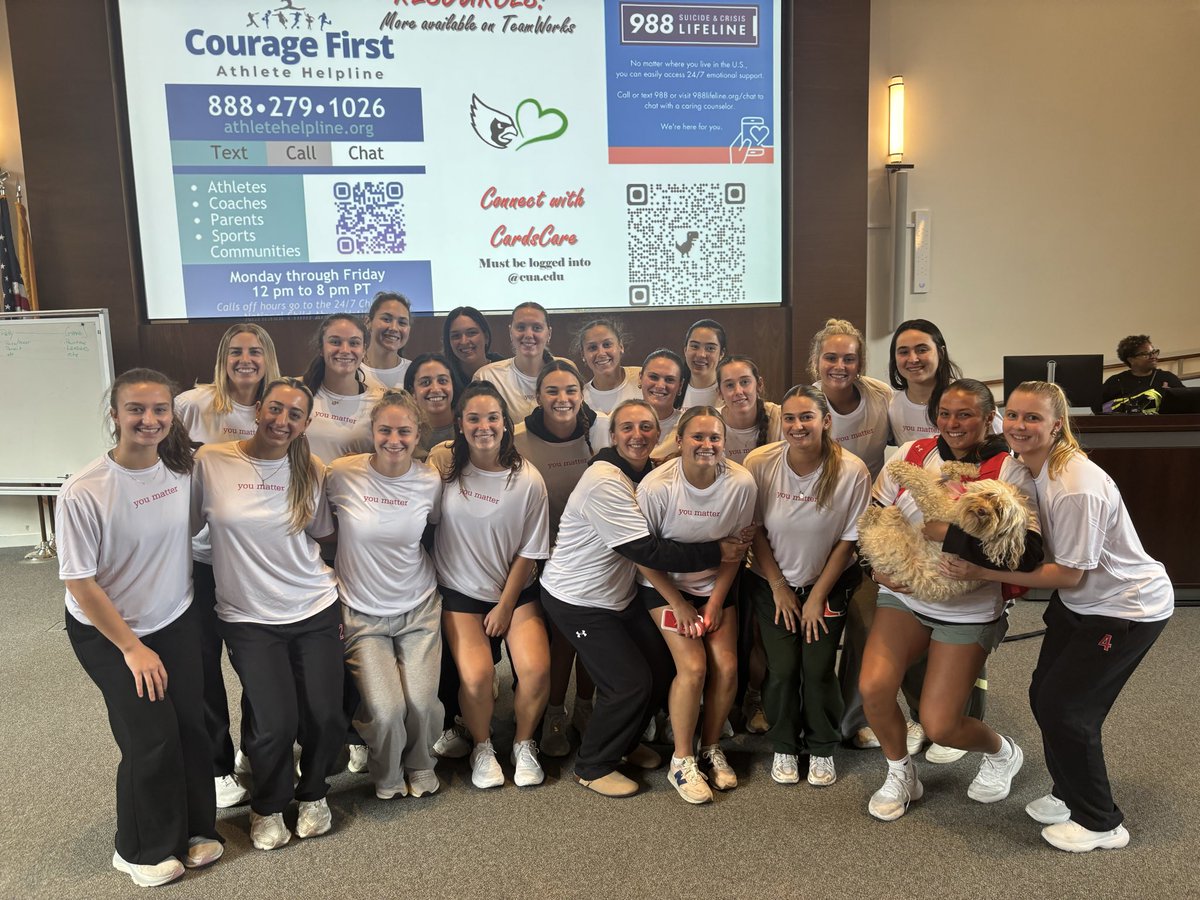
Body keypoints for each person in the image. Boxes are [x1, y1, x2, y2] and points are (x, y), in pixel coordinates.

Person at [942, 381, 1173, 853]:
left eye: (1033, 418)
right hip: (1079, 603)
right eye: (1013, 415)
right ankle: (1069, 793)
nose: (1019, 425)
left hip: (1124, 608)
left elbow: (1067, 574)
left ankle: (1100, 821)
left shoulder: (1075, 486)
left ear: (1057, 425)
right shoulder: (1020, 464)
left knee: (1068, 710)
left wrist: (979, 571)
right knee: (1044, 694)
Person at [539, 399, 753, 798]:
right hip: (579, 599)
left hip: (619, 596)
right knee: (628, 683)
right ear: (612, 435)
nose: (637, 435)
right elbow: (646, 551)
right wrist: (717, 551)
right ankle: (593, 765)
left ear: (660, 435)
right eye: (627, 428)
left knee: (658, 669)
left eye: (646, 427)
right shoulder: (604, 480)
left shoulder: (646, 472)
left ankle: (623, 743)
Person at [59, 369, 221, 887]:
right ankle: (138, 849)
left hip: (174, 617)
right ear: (115, 415)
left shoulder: (181, 471)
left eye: (159, 409)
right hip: (109, 631)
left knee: (191, 726)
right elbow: (80, 582)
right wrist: (132, 648)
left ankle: (195, 829)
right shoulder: (84, 490)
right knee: (151, 736)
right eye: (136, 409)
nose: (149, 419)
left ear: (172, 415)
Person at [858, 378, 1043, 822]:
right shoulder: (912, 454)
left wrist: (950, 534)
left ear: (988, 418)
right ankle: (901, 773)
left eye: (965, 415)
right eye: (944, 413)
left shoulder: (1008, 470)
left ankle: (1003, 752)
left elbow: (1029, 554)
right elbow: (872, 516)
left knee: (941, 725)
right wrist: (874, 569)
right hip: (905, 595)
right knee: (873, 688)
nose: (952, 423)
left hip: (968, 608)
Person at [192, 377, 344, 850]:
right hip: (248, 616)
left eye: (294, 414)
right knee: (275, 720)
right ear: (258, 410)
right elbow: (183, 529)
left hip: (314, 606)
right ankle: (269, 804)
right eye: (275, 409)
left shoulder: (311, 468)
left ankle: (314, 793)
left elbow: (321, 535)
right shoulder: (211, 461)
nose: (282, 420)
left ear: (306, 423)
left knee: (325, 715)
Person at [174, 323, 280, 808]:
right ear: (223, 357)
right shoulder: (192, 405)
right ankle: (217, 765)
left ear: (267, 358)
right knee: (203, 666)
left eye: (255, 351)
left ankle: (253, 750)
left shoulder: (275, 407)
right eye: (235, 351)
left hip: (253, 560)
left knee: (259, 662)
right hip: (199, 557)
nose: (245, 359)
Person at [743, 385, 871, 788]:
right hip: (771, 583)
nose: (797, 425)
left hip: (828, 585)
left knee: (817, 667)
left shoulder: (852, 470)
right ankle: (784, 742)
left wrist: (816, 597)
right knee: (782, 668)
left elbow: (848, 541)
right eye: (790, 418)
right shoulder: (760, 462)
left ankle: (822, 746)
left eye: (807, 417)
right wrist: (779, 587)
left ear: (826, 421)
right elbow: (755, 530)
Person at [428, 383, 552, 789]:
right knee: (478, 677)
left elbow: (530, 551)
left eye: (492, 418)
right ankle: (482, 746)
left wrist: (505, 605)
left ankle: (523, 743)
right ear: (460, 424)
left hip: (515, 592)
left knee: (536, 670)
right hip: (461, 592)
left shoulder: (528, 479)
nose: (484, 426)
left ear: (505, 423)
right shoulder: (444, 471)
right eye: (474, 418)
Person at [325, 390, 444, 801]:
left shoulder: (430, 480)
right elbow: (317, 523)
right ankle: (388, 771)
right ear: (372, 431)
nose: (394, 440)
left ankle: (420, 763)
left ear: (417, 435)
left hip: (419, 607)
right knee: (388, 710)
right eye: (385, 430)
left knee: (422, 704)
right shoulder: (342, 473)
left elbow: (435, 527)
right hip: (361, 612)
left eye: (404, 432)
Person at [636, 407, 757, 804]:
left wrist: (716, 602)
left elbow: (736, 550)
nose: (707, 445)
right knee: (694, 667)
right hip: (664, 587)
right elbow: (642, 556)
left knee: (727, 667)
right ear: (679, 441)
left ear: (725, 443)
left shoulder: (741, 483)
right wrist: (680, 604)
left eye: (714, 438)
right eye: (698, 437)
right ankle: (682, 760)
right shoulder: (657, 487)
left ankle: (710, 747)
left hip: (714, 584)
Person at [512, 361, 610, 756]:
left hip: (598, 553)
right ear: (537, 396)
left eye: (571, 390)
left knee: (593, 636)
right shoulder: (517, 439)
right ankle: (555, 712)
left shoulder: (602, 429)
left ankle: (585, 707)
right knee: (561, 639)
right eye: (552, 391)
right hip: (543, 554)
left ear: (582, 394)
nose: (562, 398)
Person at [301, 313, 383, 464]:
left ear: (364, 350)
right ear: (321, 348)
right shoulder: (297, 392)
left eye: (354, 343)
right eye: (335, 342)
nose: (345, 350)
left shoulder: (380, 403)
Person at [473, 302, 563, 421]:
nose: (528, 335)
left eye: (537, 328)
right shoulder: (487, 377)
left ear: (549, 333)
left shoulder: (564, 370)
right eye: (521, 327)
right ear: (511, 332)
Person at [716, 356, 781, 466]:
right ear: (720, 392)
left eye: (745, 382)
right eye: (730, 385)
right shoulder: (711, 422)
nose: (738, 391)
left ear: (759, 385)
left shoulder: (781, 417)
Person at [1098, 335, 1182, 411]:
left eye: (1154, 352)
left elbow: (1185, 402)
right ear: (1131, 360)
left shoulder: (1167, 378)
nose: (1153, 357)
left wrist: (1171, 395)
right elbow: (1097, 408)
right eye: (1146, 354)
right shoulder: (1116, 381)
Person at [576, 317, 642, 414]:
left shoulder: (643, 379)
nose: (601, 353)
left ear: (621, 346)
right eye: (593, 347)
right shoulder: (580, 400)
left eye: (607, 345)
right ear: (583, 355)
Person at [404, 352, 456, 460]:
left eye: (442, 381)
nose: (436, 389)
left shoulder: (468, 426)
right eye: (425, 382)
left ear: (453, 386)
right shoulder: (404, 433)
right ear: (412, 392)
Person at [638, 348, 688, 459]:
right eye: (653, 377)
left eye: (669, 380)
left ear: (680, 386)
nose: (660, 386)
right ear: (640, 378)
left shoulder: (688, 427)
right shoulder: (620, 420)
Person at [443, 305, 503, 397]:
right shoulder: (445, 377)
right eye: (456, 336)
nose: (464, 341)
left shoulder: (504, 371)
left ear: (486, 337)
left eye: (471, 333)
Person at [360, 292, 413, 391]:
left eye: (402, 323)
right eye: (386, 319)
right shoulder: (351, 371)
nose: (394, 328)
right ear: (368, 322)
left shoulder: (414, 372)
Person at [680, 319, 727, 409]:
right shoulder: (673, 389)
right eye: (695, 346)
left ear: (721, 353)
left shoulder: (729, 393)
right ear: (685, 350)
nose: (701, 354)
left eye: (710, 348)